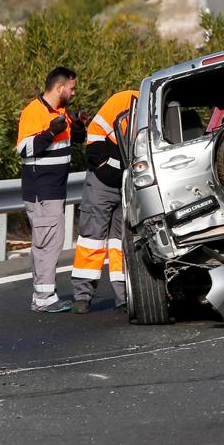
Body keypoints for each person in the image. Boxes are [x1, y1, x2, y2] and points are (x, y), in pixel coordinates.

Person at [16, 67, 87, 313]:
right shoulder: (33, 112)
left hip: (53, 188)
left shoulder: (60, 112)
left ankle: (42, 295)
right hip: (42, 190)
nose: (73, 92)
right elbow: (25, 149)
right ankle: (44, 297)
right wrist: (50, 132)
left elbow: (68, 141)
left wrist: (77, 127)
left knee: (45, 241)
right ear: (59, 88)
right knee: (49, 242)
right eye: (72, 87)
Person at [71, 89, 138, 314]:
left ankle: (124, 296)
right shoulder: (123, 101)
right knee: (92, 238)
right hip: (103, 181)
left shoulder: (154, 108)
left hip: (129, 185)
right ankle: (83, 296)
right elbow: (96, 133)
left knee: (122, 242)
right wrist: (104, 166)